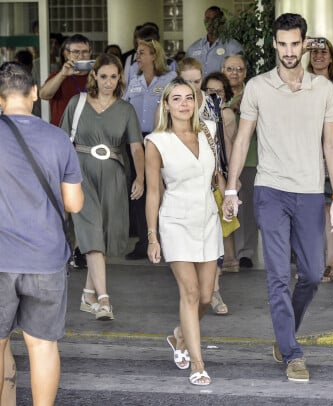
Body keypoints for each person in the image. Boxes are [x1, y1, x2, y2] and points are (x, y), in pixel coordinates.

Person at [222, 13, 333, 382]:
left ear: (304, 44)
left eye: (296, 44)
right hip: (270, 189)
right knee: (277, 274)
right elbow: (243, 139)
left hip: (309, 191)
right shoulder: (258, 87)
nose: (289, 51)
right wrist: (231, 188)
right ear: (274, 45)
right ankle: (292, 352)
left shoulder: (323, 89)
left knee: (310, 272)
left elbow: (331, 143)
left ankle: (283, 332)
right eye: (283, 44)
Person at [0, 61, 83, 406]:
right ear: (34, 93)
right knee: (43, 345)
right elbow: (74, 204)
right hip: (46, 259)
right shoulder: (58, 138)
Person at [145, 77, 222, 386]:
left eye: (188, 98)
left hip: (208, 219)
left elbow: (218, 177)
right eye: (175, 99)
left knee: (205, 295)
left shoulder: (210, 132)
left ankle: (180, 334)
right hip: (175, 221)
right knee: (189, 292)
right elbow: (153, 192)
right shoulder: (156, 141)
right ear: (166, 104)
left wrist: (230, 197)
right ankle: (198, 363)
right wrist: (152, 236)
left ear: (196, 101)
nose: (183, 104)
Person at [61, 53, 145, 320]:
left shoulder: (126, 109)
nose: (109, 81)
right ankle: (104, 300)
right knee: (92, 231)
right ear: (94, 76)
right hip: (80, 173)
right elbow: (62, 142)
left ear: (120, 77)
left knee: (103, 236)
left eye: (114, 76)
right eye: (104, 76)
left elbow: (135, 146)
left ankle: (88, 293)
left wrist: (140, 177)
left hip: (114, 176)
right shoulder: (77, 103)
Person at [123, 39, 177, 260]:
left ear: (154, 55)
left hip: (161, 139)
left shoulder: (169, 79)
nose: (137, 56)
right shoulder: (134, 80)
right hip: (136, 140)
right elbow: (124, 105)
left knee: (162, 188)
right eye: (137, 52)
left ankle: (166, 239)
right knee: (139, 188)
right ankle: (143, 241)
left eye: (142, 52)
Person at [307, 37, 333, 282]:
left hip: (331, 150)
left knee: (329, 207)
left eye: (323, 52)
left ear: (331, 57)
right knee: (308, 210)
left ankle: (331, 263)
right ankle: (311, 263)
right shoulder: (300, 80)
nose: (319, 56)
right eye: (314, 52)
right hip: (304, 152)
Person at [201, 71, 237, 314]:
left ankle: (213, 290)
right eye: (209, 92)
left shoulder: (226, 115)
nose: (213, 96)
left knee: (217, 235)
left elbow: (229, 149)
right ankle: (202, 290)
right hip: (194, 181)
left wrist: (232, 184)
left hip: (218, 180)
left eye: (218, 92)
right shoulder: (189, 113)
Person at [222, 54, 259, 270]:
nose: (234, 73)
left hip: (249, 158)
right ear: (223, 70)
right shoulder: (215, 90)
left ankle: (246, 252)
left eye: (239, 69)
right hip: (221, 160)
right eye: (230, 69)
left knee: (246, 209)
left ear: (245, 72)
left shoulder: (252, 93)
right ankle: (228, 253)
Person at [39, 34, 92, 126]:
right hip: (62, 133)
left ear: (90, 53)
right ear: (66, 54)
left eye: (85, 52)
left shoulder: (97, 76)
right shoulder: (58, 76)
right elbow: (43, 95)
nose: (80, 56)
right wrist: (62, 75)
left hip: (88, 133)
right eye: (76, 52)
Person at [185, 6, 243, 79]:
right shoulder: (193, 49)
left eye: (214, 19)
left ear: (222, 21)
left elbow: (239, 76)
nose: (210, 23)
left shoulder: (234, 47)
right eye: (207, 19)